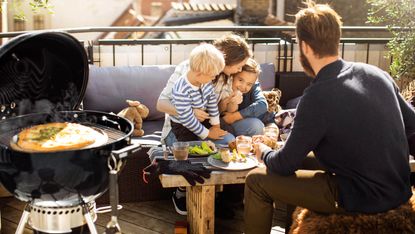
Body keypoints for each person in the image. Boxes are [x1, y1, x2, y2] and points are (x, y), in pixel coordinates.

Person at [244, 1, 415, 234]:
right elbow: (412, 126)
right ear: (337, 39)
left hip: (362, 198)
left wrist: (263, 151)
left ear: (304, 46)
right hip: (398, 189)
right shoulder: (377, 74)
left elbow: (283, 165)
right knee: (303, 160)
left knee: (256, 181)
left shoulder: (317, 95)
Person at [157, 33, 265, 147]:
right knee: (227, 142)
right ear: (227, 60)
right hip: (181, 128)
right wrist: (189, 112)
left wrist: (228, 102)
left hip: (209, 124)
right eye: (239, 66)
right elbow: (161, 104)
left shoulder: (227, 76)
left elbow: (216, 109)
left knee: (255, 126)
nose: (240, 70)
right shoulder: (192, 69)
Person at [170, 43, 234, 145]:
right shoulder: (181, 89)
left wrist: (215, 125)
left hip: (201, 119)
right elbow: (188, 120)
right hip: (183, 125)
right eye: (212, 76)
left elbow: (212, 101)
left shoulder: (205, 81)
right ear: (198, 73)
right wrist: (208, 133)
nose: (214, 78)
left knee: (228, 130)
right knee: (190, 148)